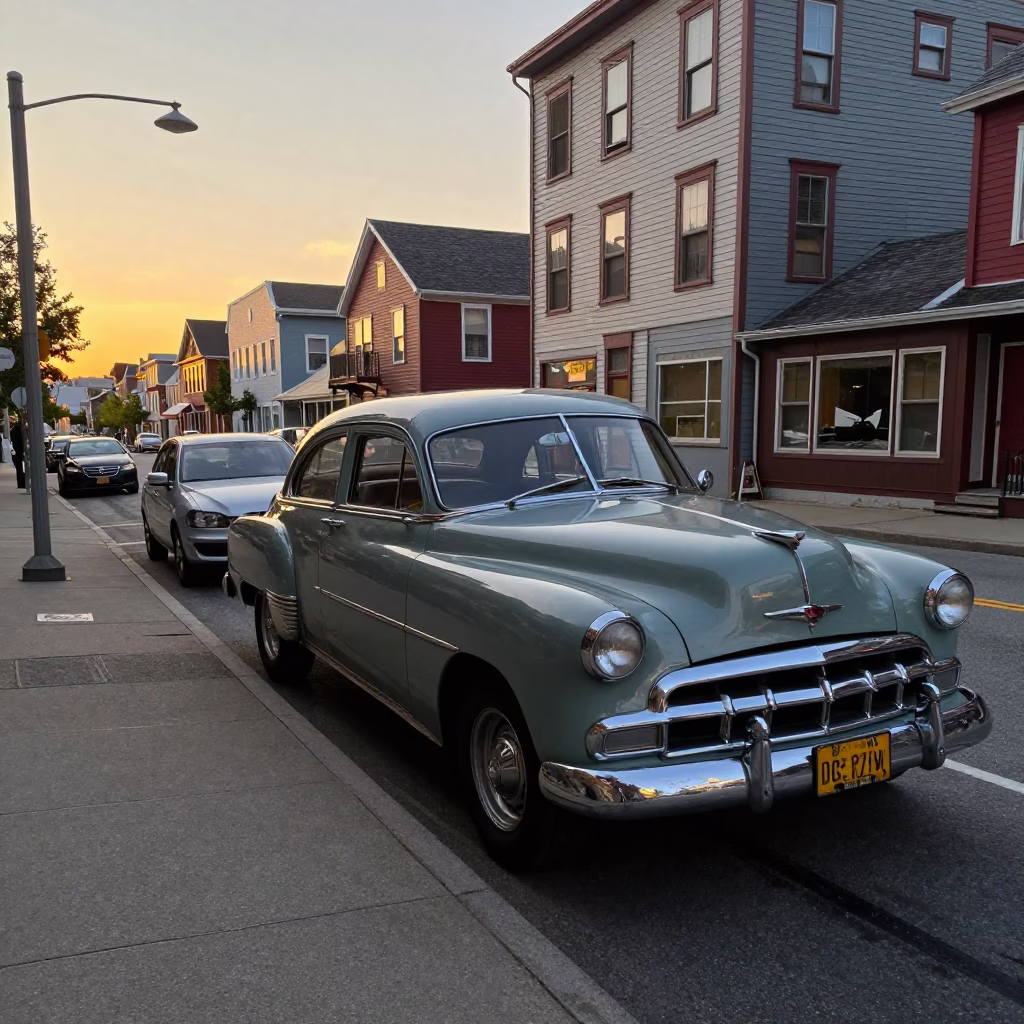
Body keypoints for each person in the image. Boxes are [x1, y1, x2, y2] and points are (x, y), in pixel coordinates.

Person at [10, 415, 25, 489]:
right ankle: (22, 484)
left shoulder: (15, 429)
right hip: (19, 451)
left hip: (17, 452)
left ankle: (21, 484)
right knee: (20, 468)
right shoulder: (18, 429)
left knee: (19, 468)